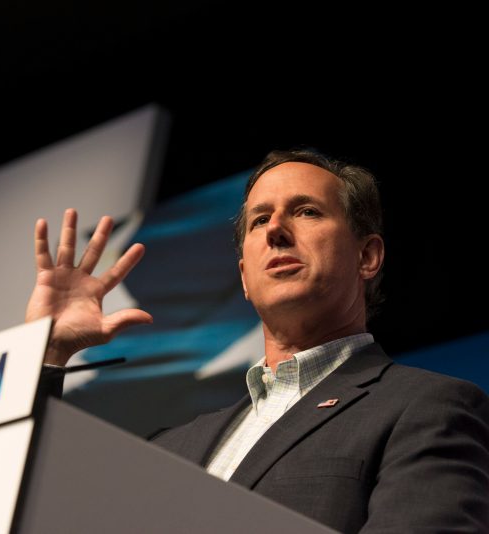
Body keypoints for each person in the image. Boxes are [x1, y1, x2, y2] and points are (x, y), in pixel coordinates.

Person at [25, 149, 489, 532]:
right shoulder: (171, 449)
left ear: (367, 256)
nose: (275, 230)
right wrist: (46, 353)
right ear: (244, 278)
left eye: (307, 211)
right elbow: (30, 505)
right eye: (259, 220)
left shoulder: (426, 407)